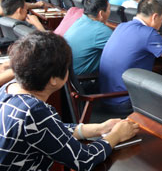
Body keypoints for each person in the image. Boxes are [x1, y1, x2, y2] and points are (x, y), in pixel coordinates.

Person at [0, 31, 139, 170]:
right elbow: (84, 160)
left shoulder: (8, 89)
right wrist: (116, 135)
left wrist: (98, 128)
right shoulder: (33, 110)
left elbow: (49, 131)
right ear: (53, 79)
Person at [99, 0, 162, 114]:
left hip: (106, 98)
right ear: (154, 17)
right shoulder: (148, 33)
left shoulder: (123, 26)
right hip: (125, 101)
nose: (161, 23)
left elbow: (140, 44)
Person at [64, 0, 113, 75]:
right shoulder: (100, 30)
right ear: (101, 14)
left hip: (67, 74)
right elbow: (121, 52)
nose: (110, 12)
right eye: (109, 9)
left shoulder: (79, 20)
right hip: (82, 79)